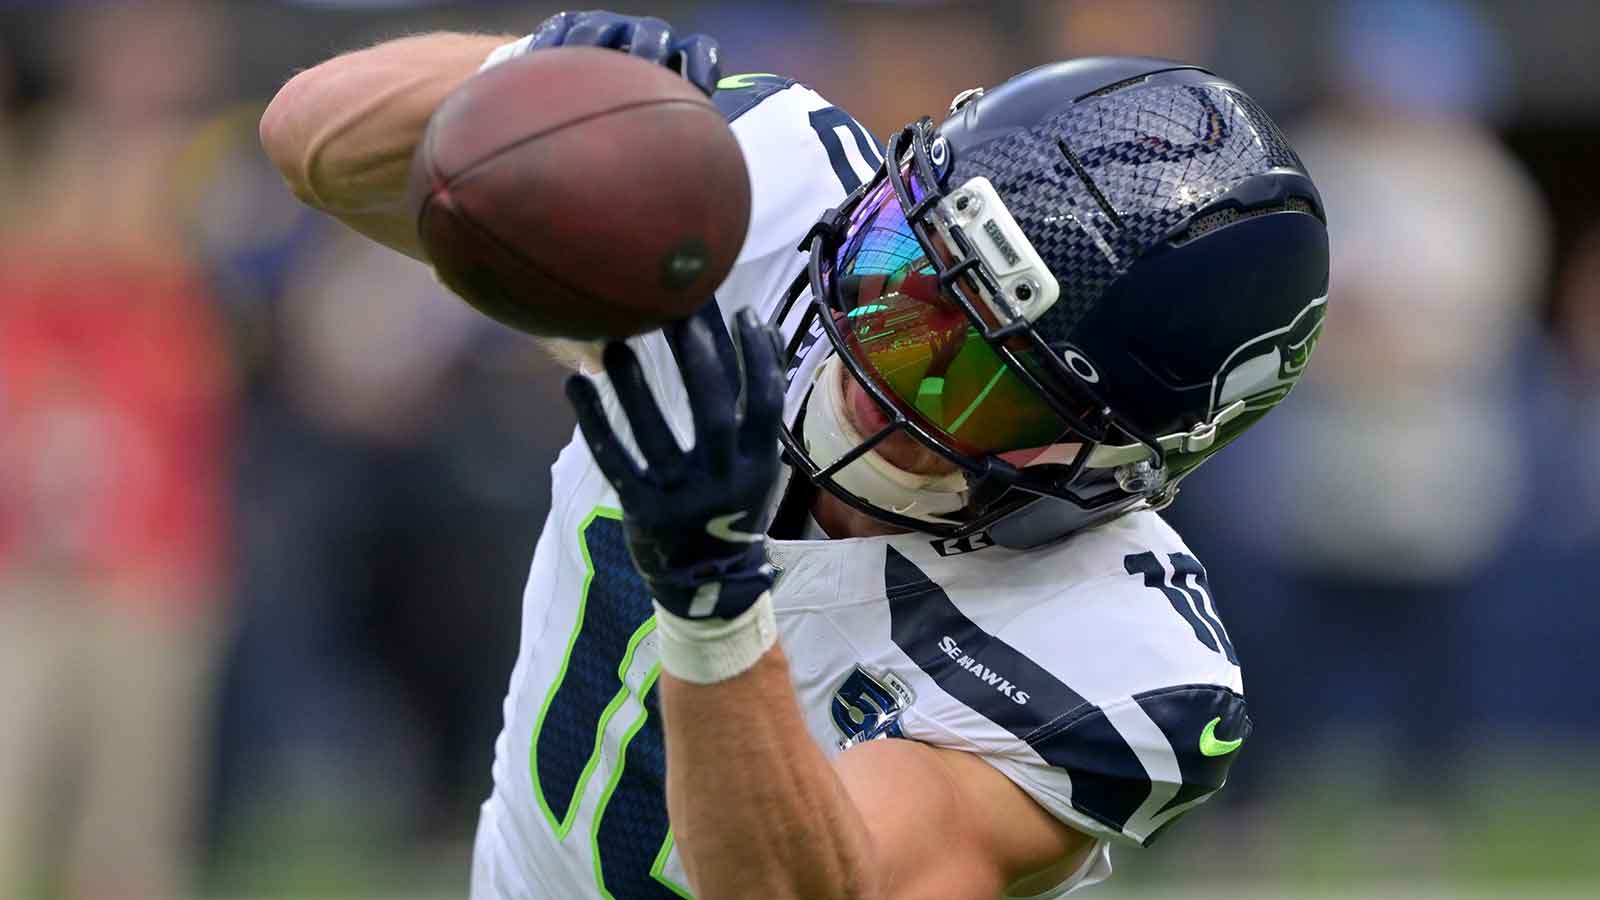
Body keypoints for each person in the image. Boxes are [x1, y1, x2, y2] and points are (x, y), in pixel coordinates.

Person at [260, 10, 1329, 899]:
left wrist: (715, 607)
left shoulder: (1120, 663)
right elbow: (311, 140)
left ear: (1108, 461)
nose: (880, 350)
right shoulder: (761, 188)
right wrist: (541, 83)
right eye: (900, 264)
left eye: (974, 373)